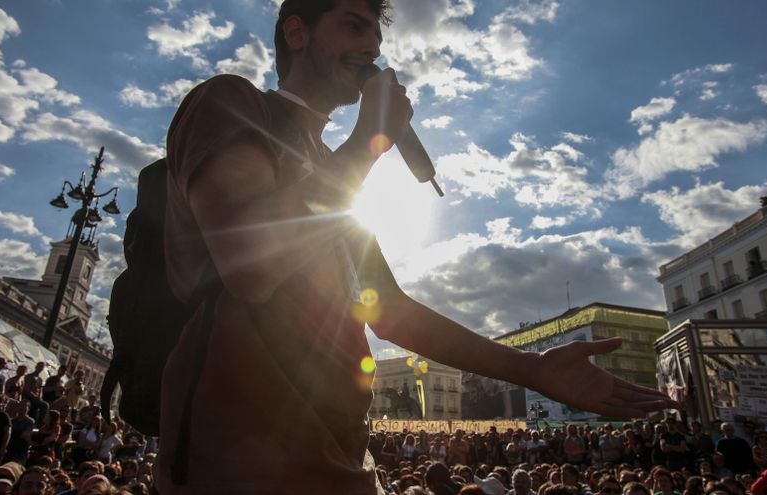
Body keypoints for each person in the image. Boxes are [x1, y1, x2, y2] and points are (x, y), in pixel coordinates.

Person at [153, 1, 675, 493]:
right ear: (297, 32)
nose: (371, 51)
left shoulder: (337, 171)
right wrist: (368, 143)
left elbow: (391, 311)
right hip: (237, 461)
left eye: (376, 37)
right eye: (354, 27)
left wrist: (534, 370)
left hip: (338, 457)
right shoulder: (232, 103)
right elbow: (252, 269)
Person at [23, 362, 48, 426]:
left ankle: (36, 424)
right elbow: (26, 389)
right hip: (28, 397)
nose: (40, 368)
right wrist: (34, 396)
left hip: (36, 399)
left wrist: (40, 397)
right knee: (45, 405)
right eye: (39, 366)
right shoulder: (29, 376)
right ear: (36, 367)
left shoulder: (40, 379)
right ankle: (40, 424)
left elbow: (40, 390)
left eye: (41, 367)